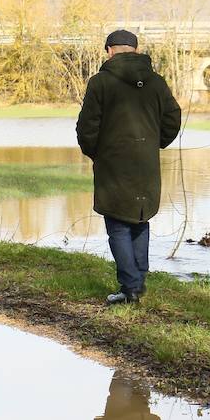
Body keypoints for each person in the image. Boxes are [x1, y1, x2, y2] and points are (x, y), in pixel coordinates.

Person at [76, 30, 181, 305]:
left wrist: (95, 152)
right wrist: (154, 144)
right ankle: (137, 281)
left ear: (110, 50)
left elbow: (87, 126)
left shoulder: (100, 82)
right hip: (146, 162)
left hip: (113, 162)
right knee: (139, 218)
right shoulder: (156, 83)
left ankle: (130, 288)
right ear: (135, 50)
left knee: (118, 224)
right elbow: (172, 118)